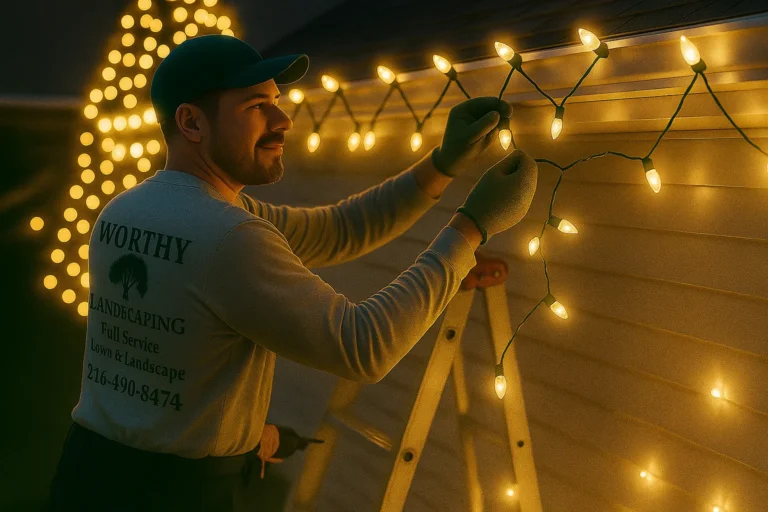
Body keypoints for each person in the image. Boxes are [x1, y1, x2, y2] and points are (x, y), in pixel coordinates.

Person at [46, 34, 537, 511]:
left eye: (276, 102)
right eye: (255, 106)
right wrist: (471, 227)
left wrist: (442, 164)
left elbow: (340, 228)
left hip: (88, 470)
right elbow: (364, 345)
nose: (282, 121)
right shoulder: (229, 235)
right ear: (192, 122)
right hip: (178, 494)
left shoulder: (124, 211)